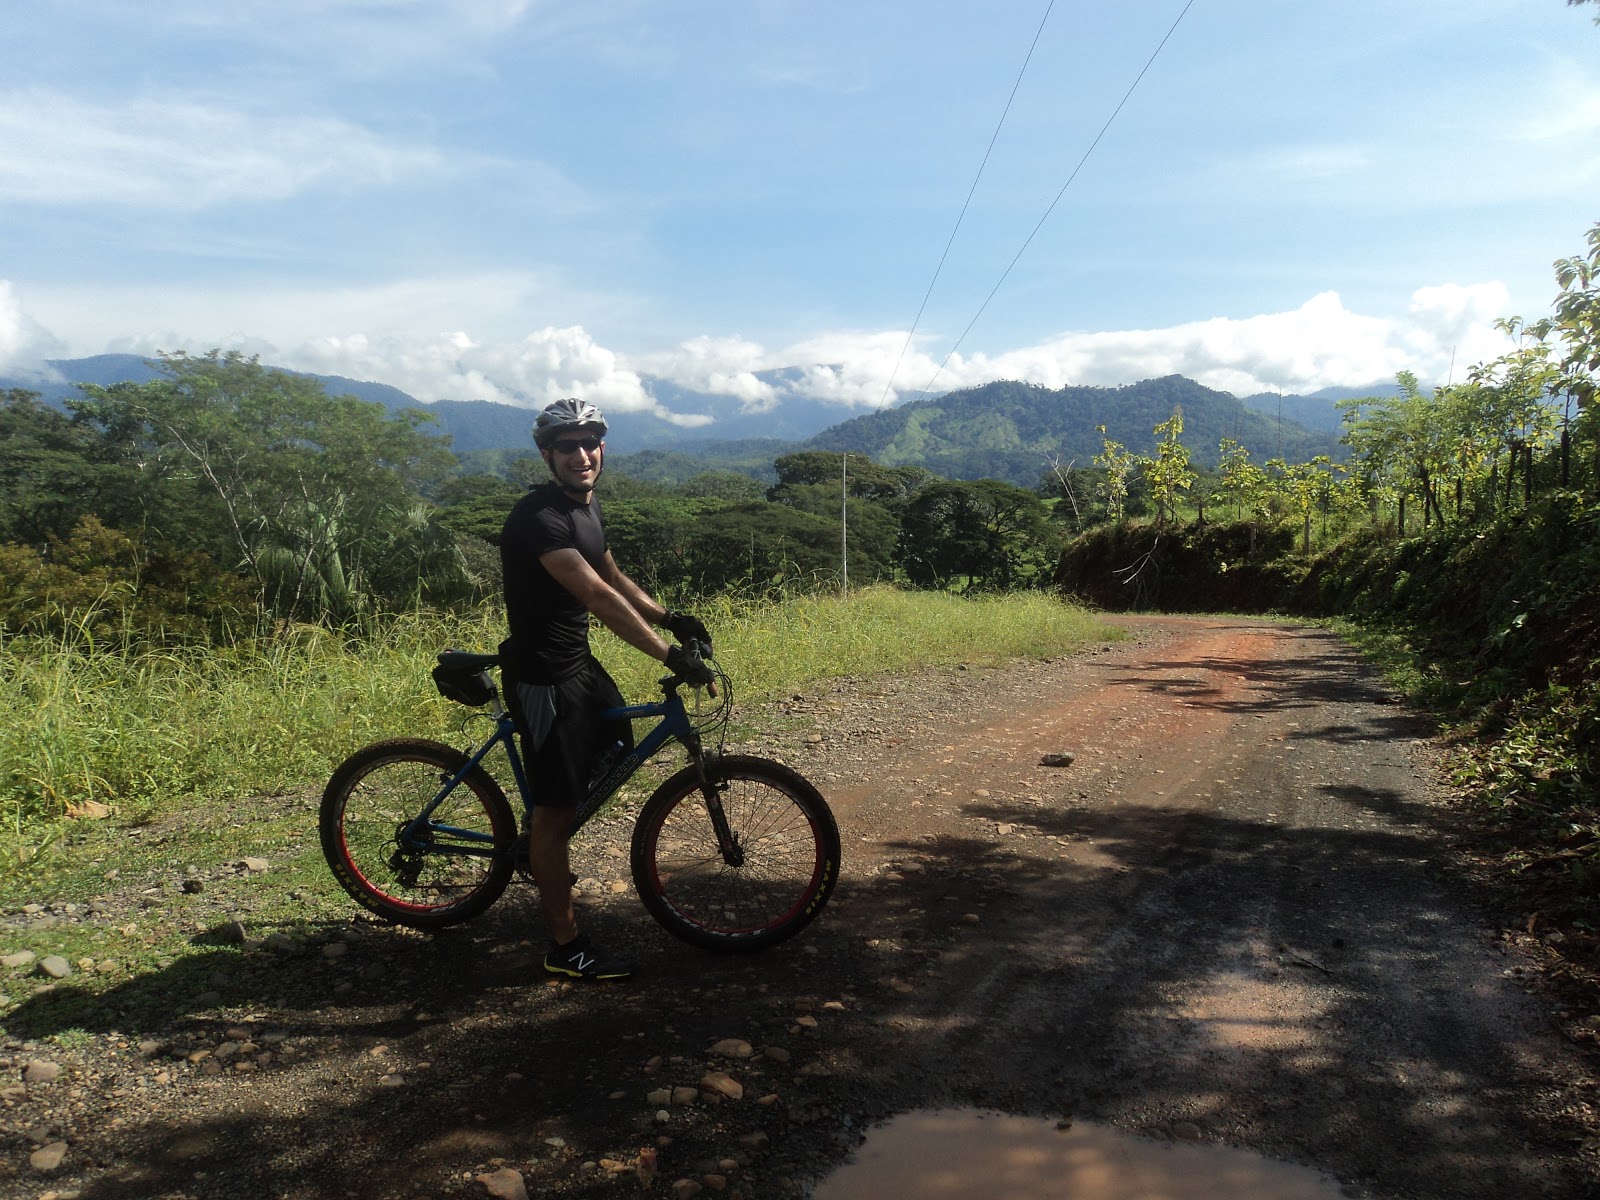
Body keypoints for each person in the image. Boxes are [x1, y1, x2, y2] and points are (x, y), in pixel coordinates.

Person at [499, 397, 714, 981]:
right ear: (548, 454)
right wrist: (668, 655)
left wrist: (672, 619)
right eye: (566, 445)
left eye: (589, 441)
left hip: (579, 665)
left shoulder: (587, 508)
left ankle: (542, 844)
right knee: (556, 811)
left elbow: (614, 576)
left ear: (602, 447)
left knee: (618, 740)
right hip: (544, 676)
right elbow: (595, 595)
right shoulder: (540, 517)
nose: (581, 453)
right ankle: (565, 946)